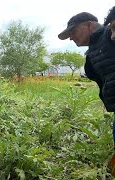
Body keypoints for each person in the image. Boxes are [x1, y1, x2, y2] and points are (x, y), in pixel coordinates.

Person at [58, 11, 115, 174]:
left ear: (89, 25)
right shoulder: (93, 50)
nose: (70, 37)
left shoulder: (109, 35)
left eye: (73, 31)